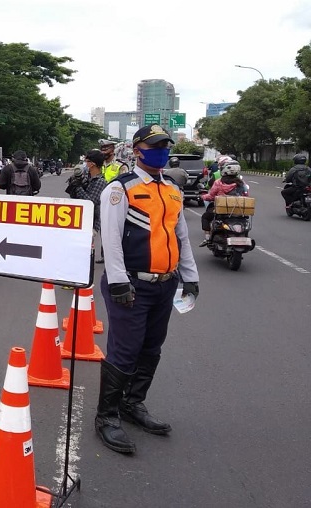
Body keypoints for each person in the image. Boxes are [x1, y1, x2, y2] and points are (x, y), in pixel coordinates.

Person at [96, 124, 199, 454]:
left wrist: (190, 276)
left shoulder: (171, 189)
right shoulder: (120, 189)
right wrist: (118, 282)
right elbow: (110, 239)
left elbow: (180, 237)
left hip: (164, 285)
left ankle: (133, 403)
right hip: (131, 283)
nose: (162, 151)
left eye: (165, 145)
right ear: (137, 150)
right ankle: (107, 417)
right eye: (155, 145)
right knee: (125, 351)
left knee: (151, 348)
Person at [69, 149, 107, 261]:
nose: (85, 163)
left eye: (87, 161)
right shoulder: (86, 178)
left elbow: (90, 203)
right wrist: (74, 184)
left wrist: (78, 187)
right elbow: (74, 198)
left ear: (92, 164)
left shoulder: (101, 182)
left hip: (91, 223)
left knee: (84, 254)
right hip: (78, 219)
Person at [199, 161, 248, 246]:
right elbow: (245, 195)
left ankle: (207, 238)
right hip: (237, 210)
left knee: (205, 217)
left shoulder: (219, 182)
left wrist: (202, 197)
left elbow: (211, 196)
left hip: (221, 210)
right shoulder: (241, 183)